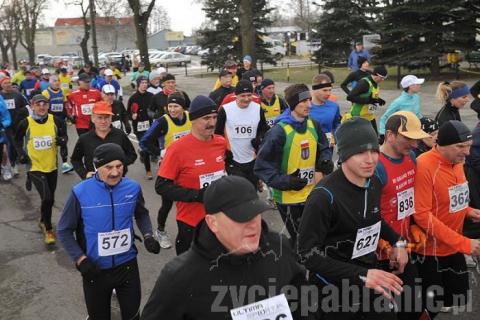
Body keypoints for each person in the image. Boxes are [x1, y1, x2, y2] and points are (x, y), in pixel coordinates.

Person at [141, 175, 308, 320]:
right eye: (241, 217)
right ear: (212, 223)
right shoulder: (179, 277)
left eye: (255, 214)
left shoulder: (279, 246)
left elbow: (304, 301)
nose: (252, 225)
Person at [299, 117, 408, 320]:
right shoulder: (323, 197)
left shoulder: (374, 181)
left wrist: (398, 242)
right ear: (344, 155)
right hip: (333, 287)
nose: (370, 159)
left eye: (374, 150)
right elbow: (307, 254)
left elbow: (373, 218)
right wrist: (361, 275)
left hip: (369, 275)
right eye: (360, 152)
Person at [57, 143, 160, 320]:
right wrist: (80, 259)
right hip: (95, 270)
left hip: (127, 265)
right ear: (97, 167)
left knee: (134, 316)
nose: (115, 172)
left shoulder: (132, 188)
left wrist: (148, 235)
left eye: (119, 166)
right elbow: (64, 230)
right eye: (108, 167)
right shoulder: (80, 192)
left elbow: (141, 214)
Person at [413, 120, 480, 318]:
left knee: (457, 296)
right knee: (428, 306)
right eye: (460, 146)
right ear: (441, 144)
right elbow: (422, 215)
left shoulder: (457, 162)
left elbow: (448, 196)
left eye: (468, 146)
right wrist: (465, 243)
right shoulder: (424, 165)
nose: (467, 152)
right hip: (430, 251)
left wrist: (467, 210)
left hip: (453, 245)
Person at [254, 83, 333, 248]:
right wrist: (286, 182)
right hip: (289, 200)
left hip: (312, 194)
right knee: (301, 241)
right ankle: (296, 270)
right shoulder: (278, 132)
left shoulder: (314, 125)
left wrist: (324, 163)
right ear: (292, 104)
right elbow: (262, 167)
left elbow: (324, 148)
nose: (309, 105)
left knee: (315, 236)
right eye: (303, 101)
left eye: (309, 100)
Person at [374, 111, 430, 320]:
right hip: (381, 253)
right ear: (389, 135)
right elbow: (367, 214)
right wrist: (387, 245)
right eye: (408, 139)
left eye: (416, 139)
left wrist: (415, 225)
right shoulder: (376, 166)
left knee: (412, 304)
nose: (414, 145)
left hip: (405, 245)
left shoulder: (411, 157)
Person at [155, 95, 226, 255]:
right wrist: (198, 195)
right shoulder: (177, 149)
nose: (213, 123)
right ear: (192, 120)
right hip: (190, 223)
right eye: (206, 118)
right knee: (190, 273)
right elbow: (161, 187)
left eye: (215, 117)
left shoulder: (220, 142)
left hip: (218, 219)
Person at [14, 94, 69, 244]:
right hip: (34, 166)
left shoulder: (55, 121)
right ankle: (48, 228)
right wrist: (21, 154)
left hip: (52, 166)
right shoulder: (25, 123)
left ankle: (43, 219)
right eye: (38, 104)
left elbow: (64, 137)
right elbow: (17, 139)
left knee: (49, 199)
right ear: (32, 106)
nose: (42, 107)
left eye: (44, 104)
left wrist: (62, 141)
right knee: (47, 197)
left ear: (48, 106)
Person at [140, 92, 191, 249]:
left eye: (176, 106)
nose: (173, 110)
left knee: (190, 201)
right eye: (170, 106)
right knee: (167, 204)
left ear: (183, 107)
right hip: (169, 168)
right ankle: (161, 231)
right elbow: (144, 142)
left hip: (188, 167)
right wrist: (160, 152)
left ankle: (193, 232)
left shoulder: (191, 117)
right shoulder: (163, 121)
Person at [215, 80, 269, 189]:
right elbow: (217, 133)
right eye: (242, 95)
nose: (246, 99)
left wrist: (259, 138)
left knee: (251, 192)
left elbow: (263, 129)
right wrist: (224, 151)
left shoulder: (258, 109)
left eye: (249, 95)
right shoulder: (225, 110)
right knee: (238, 192)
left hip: (252, 159)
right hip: (233, 160)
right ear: (236, 95)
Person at [71, 101, 137, 180]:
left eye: (106, 117)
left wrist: (119, 164)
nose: (103, 121)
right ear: (93, 118)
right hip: (94, 182)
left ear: (111, 118)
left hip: (117, 179)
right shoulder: (84, 138)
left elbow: (132, 155)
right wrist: (84, 174)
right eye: (100, 117)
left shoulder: (120, 135)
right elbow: (75, 160)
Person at [0, 76, 29, 180]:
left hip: (18, 124)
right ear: (1, 85)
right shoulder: (0, 96)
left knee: (19, 144)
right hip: (6, 126)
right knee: (12, 144)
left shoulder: (17, 95)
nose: (8, 84)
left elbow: (25, 107)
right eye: (5, 83)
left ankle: (16, 161)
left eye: (9, 82)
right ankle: (13, 166)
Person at [379, 75, 425, 140]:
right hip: (402, 134)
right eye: (417, 84)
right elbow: (385, 117)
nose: (420, 85)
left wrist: (425, 122)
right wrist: (383, 134)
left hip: (415, 131)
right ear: (410, 86)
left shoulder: (416, 97)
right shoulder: (398, 102)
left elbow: (417, 114)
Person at [127, 76, 155, 179]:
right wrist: (132, 116)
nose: (145, 84)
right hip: (139, 128)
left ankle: (142, 152)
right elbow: (128, 114)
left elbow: (155, 110)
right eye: (142, 83)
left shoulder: (151, 96)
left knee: (151, 146)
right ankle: (148, 171)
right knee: (146, 148)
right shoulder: (133, 98)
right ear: (138, 84)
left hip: (151, 126)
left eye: (146, 82)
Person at [346, 65, 388, 133]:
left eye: (384, 78)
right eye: (382, 78)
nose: (383, 80)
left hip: (369, 117)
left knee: (375, 138)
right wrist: (368, 100)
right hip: (358, 118)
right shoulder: (364, 83)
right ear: (376, 75)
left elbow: (370, 96)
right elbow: (350, 97)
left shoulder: (375, 83)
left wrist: (378, 100)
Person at [310, 74, 341, 147]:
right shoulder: (305, 106)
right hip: (310, 147)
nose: (328, 93)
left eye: (330, 90)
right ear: (314, 90)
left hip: (328, 148)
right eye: (325, 90)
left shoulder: (334, 106)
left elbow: (336, 125)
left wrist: (335, 139)